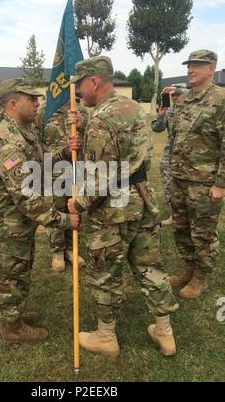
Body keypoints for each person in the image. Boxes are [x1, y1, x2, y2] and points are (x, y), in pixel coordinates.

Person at [67, 56, 179, 358]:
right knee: (149, 265)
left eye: (79, 84)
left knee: (105, 271)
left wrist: (76, 202)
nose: (77, 91)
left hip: (114, 206)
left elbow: (101, 178)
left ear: (93, 81)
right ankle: (165, 332)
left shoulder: (102, 119)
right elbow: (130, 153)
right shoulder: (132, 109)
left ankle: (106, 337)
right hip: (142, 197)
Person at [0, 78, 80, 344]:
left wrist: (65, 150)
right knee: (9, 277)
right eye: (32, 99)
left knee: (20, 273)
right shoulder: (8, 145)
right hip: (8, 228)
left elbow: (41, 165)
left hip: (20, 225)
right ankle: (12, 329)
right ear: (14, 103)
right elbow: (26, 198)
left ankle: (16, 315)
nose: (38, 104)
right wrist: (63, 220)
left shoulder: (24, 132)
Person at [164, 50, 225, 300]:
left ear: (211, 69)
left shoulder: (220, 99)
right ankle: (188, 268)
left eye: (197, 66)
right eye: (189, 65)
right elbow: (176, 137)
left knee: (202, 232)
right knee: (181, 229)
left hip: (204, 182)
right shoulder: (185, 100)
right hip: (179, 178)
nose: (190, 69)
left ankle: (201, 276)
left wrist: (221, 183)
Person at [43, 101, 86, 272]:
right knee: (56, 210)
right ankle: (57, 251)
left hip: (76, 169)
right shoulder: (45, 112)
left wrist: (81, 126)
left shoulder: (82, 111)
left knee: (74, 209)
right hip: (53, 170)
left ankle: (71, 247)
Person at [151, 86, 187, 227]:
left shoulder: (191, 109)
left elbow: (186, 92)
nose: (175, 98)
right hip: (170, 153)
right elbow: (157, 128)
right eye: (172, 96)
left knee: (185, 184)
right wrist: (160, 115)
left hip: (188, 153)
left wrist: (176, 88)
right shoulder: (169, 111)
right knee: (168, 183)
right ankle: (175, 214)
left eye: (177, 95)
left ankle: (188, 214)